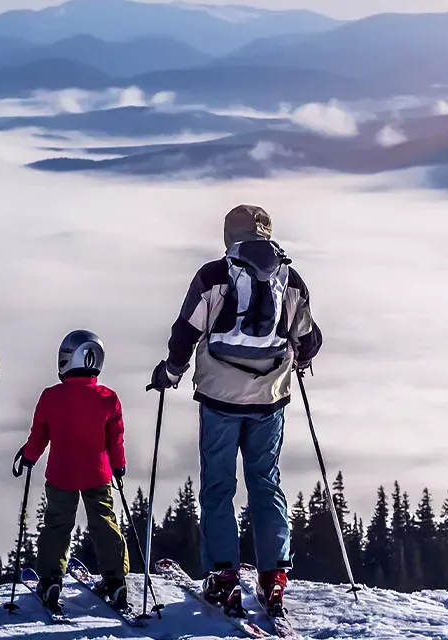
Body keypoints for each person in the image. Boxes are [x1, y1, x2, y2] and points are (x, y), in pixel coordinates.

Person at [146, 204, 322, 617]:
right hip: (270, 398)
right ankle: (274, 575)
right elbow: (308, 338)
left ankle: (224, 577)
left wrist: (170, 372)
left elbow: (185, 332)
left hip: (219, 398)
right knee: (266, 482)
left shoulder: (213, 276)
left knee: (218, 485)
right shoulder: (290, 278)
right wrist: (299, 357)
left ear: (230, 236)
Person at [13, 330, 131, 615]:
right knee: (104, 523)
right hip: (98, 473)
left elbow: (39, 436)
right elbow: (115, 439)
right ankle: (116, 580)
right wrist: (119, 466)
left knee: (57, 525)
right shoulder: (108, 398)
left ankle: (51, 580)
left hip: (61, 474)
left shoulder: (51, 396)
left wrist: (28, 458)